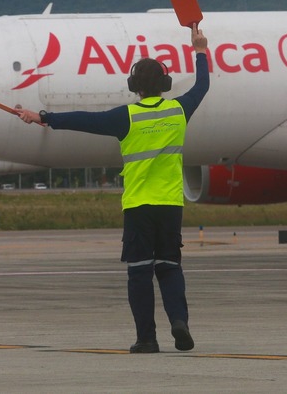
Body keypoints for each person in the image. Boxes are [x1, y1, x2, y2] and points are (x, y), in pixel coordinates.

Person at [16, 25, 209, 354]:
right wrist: (200, 49)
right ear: (164, 85)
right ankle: (180, 321)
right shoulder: (179, 110)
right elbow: (202, 86)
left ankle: (147, 338)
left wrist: (42, 117)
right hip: (170, 205)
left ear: (133, 86)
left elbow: (84, 120)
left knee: (139, 273)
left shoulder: (126, 117)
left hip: (138, 207)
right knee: (169, 267)